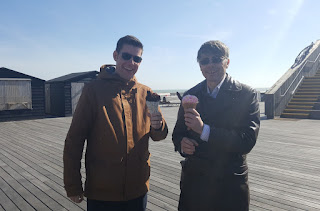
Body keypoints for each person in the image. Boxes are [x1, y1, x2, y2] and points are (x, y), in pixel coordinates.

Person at [63, 35, 168, 211]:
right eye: (126, 56)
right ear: (115, 55)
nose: (131, 62)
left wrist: (158, 126)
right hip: (103, 191)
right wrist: (73, 185)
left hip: (138, 187)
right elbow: (75, 139)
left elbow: (159, 135)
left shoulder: (146, 93)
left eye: (137, 58)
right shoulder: (93, 90)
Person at [172, 40, 260, 211]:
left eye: (216, 59)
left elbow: (247, 141)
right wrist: (182, 143)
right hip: (195, 182)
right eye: (205, 61)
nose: (210, 65)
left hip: (229, 182)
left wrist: (204, 130)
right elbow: (178, 134)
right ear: (200, 66)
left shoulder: (246, 94)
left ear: (227, 62)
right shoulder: (191, 95)